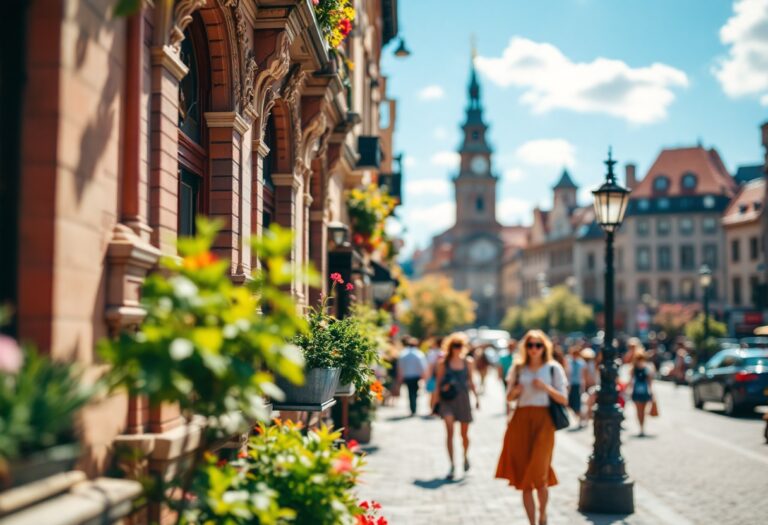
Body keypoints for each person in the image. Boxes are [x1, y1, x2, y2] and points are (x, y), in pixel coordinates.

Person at [496, 330, 568, 525]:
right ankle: (532, 522)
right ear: (525, 348)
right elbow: (508, 397)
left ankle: (543, 515)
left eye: (538, 345)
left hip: (544, 421)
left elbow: (564, 399)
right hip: (520, 420)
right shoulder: (518, 368)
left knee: (539, 473)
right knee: (524, 476)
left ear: (544, 347)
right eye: (530, 345)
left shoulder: (553, 368)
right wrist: (515, 391)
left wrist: (546, 388)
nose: (534, 349)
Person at [431, 333, 479, 480]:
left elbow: (471, 381)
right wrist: (434, 403)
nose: (457, 349)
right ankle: (452, 465)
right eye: (454, 346)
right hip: (447, 401)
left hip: (463, 400)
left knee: (464, 435)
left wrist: (477, 398)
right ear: (450, 347)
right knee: (450, 432)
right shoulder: (442, 363)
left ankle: (465, 456)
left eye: (460, 345)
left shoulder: (468, 362)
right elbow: (438, 384)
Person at [397, 337, 428, 416]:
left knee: (410, 392)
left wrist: (400, 376)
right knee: (414, 392)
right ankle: (414, 408)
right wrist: (424, 377)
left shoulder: (403, 353)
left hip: (407, 376)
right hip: (415, 376)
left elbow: (400, 366)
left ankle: (412, 408)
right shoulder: (419, 354)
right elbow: (422, 366)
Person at [629, 348, 654, 436]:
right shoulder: (633, 369)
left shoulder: (647, 369)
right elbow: (631, 381)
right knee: (638, 410)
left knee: (643, 411)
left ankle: (642, 427)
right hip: (636, 392)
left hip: (644, 392)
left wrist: (651, 392)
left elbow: (650, 382)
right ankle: (641, 427)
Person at [565, 345, 586, 428]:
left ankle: (581, 419)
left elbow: (583, 375)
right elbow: (567, 374)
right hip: (571, 384)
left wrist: (583, 386)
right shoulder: (569, 362)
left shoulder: (581, 363)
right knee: (570, 403)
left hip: (577, 384)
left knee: (577, 403)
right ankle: (579, 418)